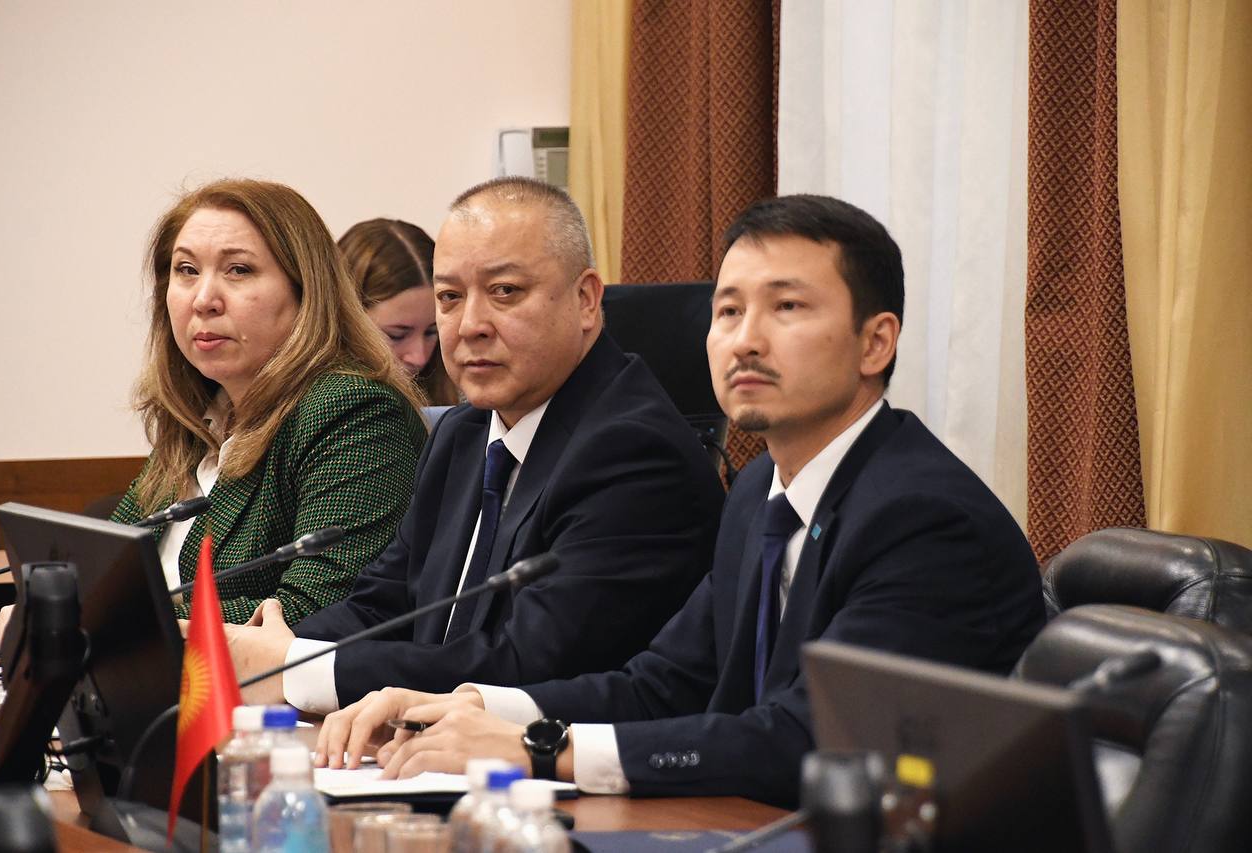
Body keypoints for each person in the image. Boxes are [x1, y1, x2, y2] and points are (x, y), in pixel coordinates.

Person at [315, 194, 1047, 808]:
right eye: (728, 312)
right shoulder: (760, 490)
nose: (745, 340)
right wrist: (477, 707)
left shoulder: (922, 516)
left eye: (786, 307)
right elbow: (664, 683)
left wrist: (541, 747)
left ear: (875, 343)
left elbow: (812, 738)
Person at [224, 177, 726, 710]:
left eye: (505, 291)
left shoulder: (633, 452)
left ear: (585, 300)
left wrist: (297, 670)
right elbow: (382, 606)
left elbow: (527, 665)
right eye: (450, 297)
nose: (469, 326)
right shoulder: (463, 432)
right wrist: (263, 655)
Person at [0, 179, 427, 649]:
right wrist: (46, 614)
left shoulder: (354, 410)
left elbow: (314, 611)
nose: (203, 299)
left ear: (306, 291)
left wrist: (97, 623)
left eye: (238, 270)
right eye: (187, 270)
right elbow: (104, 576)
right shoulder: (199, 418)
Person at [338, 218, 459, 406]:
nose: (419, 358)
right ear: (344, 321)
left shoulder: (465, 395)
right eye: (396, 335)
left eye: (432, 332)